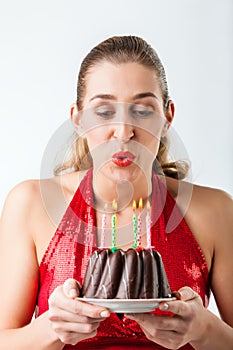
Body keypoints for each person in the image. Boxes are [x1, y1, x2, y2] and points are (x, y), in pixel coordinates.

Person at [0, 35, 232, 350]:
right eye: (104, 111)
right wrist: (52, 328)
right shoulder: (30, 205)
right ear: (78, 119)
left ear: (167, 119)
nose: (124, 131)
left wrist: (204, 329)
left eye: (143, 110)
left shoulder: (214, 210)